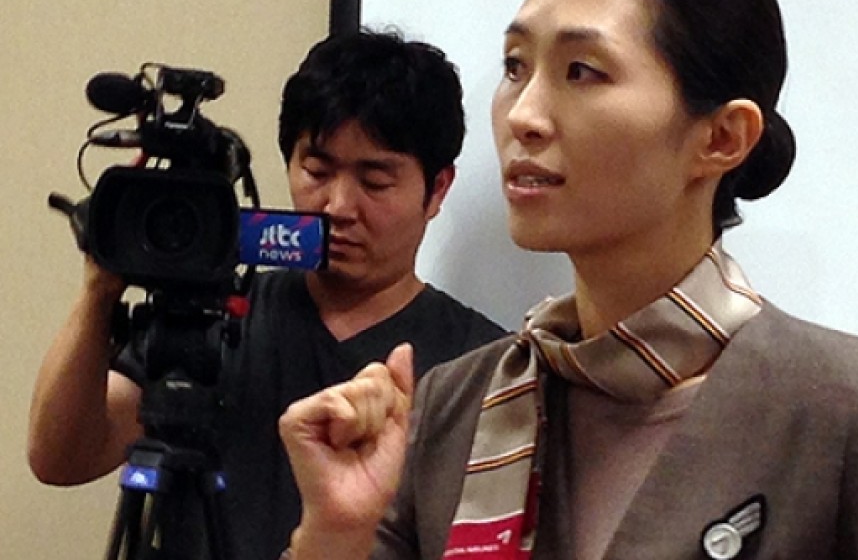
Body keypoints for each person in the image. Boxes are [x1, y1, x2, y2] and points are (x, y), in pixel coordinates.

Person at [276, 0, 858, 560]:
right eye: (516, 67)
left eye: (582, 71)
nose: (523, 114)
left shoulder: (853, 408)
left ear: (722, 137)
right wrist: (338, 531)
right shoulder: (457, 403)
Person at [27, 29, 506, 560]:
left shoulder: (483, 364)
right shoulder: (212, 312)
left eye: (375, 181)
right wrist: (100, 287)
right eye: (317, 171)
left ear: (437, 189)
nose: (337, 206)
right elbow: (60, 459)